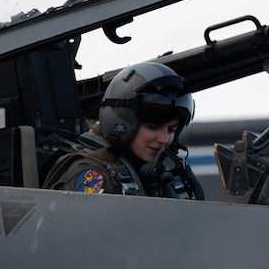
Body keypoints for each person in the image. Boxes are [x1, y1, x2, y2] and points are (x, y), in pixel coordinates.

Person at [44, 61, 203, 198]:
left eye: (171, 129)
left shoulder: (157, 175)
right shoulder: (91, 176)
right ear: (120, 124)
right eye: (153, 127)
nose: (164, 139)